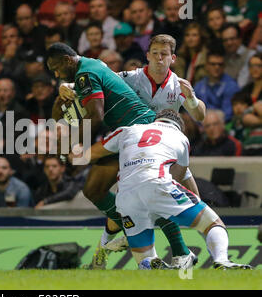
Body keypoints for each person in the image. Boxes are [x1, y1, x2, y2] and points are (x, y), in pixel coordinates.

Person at [47, 42, 194, 269]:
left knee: (151, 195)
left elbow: (95, 116)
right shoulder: (89, 65)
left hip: (139, 132)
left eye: (57, 68)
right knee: (94, 189)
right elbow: (77, 110)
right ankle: (140, 235)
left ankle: (180, 253)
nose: (56, 74)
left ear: (68, 60)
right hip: (128, 134)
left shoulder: (85, 74)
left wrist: (77, 146)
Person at [81, 109, 251, 270]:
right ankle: (222, 261)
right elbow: (178, 177)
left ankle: (150, 263)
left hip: (125, 196)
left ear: (156, 120)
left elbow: (90, 154)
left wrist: (68, 150)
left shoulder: (128, 129)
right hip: (157, 183)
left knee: (144, 258)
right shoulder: (181, 138)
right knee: (213, 223)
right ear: (178, 126)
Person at [90, 34, 206, 268]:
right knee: (133, 203)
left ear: (172, 58)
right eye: (155, 53)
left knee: (195, 200)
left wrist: (192, 99)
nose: (159, 58)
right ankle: (179, 255)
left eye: (164, 54)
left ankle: (208, 254)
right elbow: (101, 79)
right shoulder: (131, 78)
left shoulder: (179, 85)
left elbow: (201, 116)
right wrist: (72, 86)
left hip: (167, 153)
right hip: (134, 151)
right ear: (147, 55)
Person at [194, 51, 241, 122]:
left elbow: (227, 115)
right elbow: (192, 109)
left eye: (220, 64)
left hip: (221, 125)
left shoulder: (231, 86)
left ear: (224, 66)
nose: (217, 67)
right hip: (199, 124)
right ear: (206, 66)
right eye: (213, 64)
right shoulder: (199, 85)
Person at [221, 23, 256, 88]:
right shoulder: (223, 57)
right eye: (225, 40)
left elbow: (242, 84)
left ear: (240, 38)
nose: (229, 43)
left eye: (232, 39)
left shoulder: (251, 56)